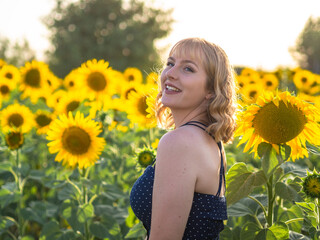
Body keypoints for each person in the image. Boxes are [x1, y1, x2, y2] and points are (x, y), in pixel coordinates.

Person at [130, 37, 237, 240]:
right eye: (170, 64)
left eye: (188, 69)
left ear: (210, 90)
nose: (170, 73)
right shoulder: (210, 140)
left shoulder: (180, 142)